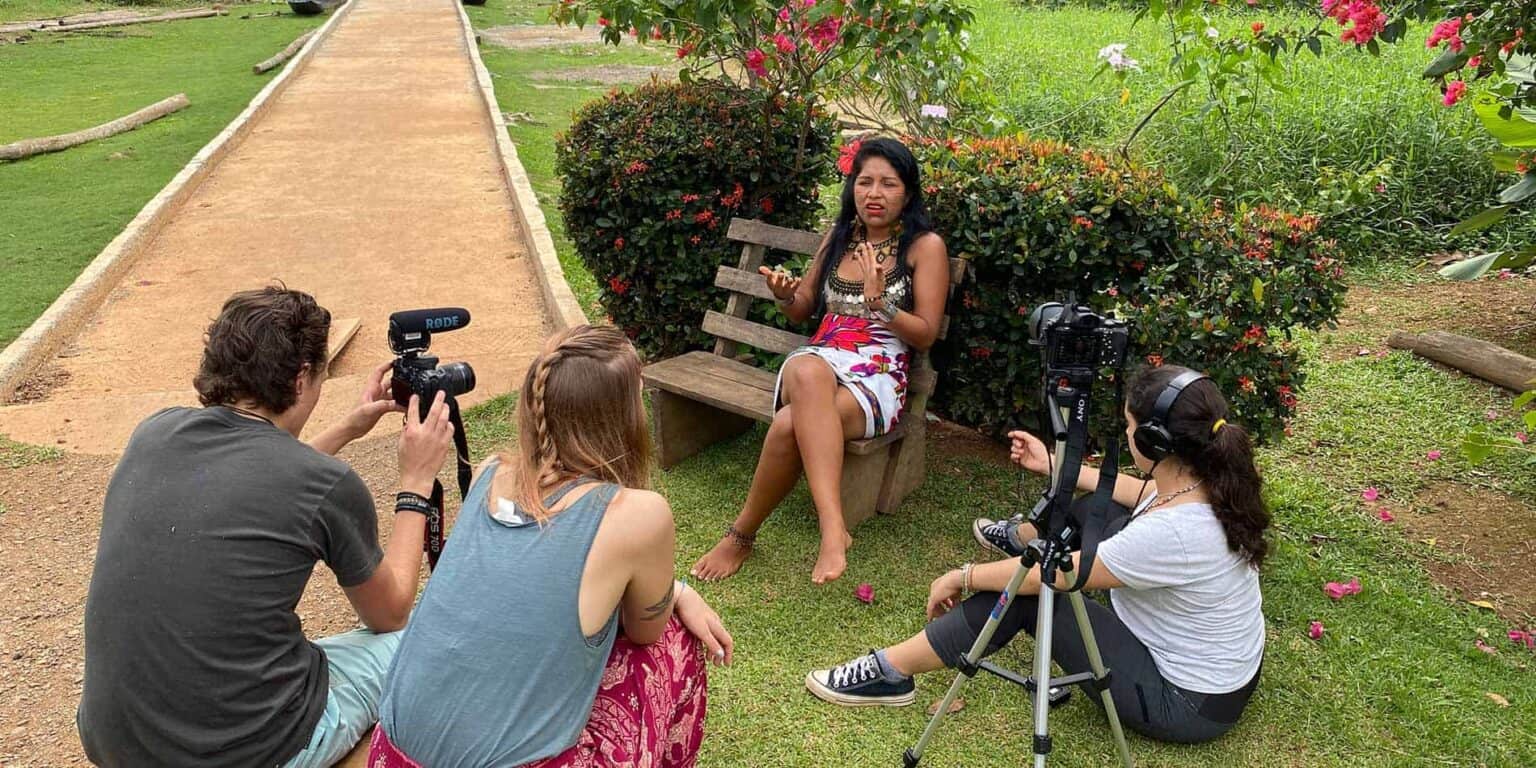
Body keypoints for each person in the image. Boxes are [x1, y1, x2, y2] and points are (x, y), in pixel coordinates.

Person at [78, 286, 456, 768]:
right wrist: (416, 481)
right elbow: (391, 613)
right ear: (301, 379)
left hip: (114, 741)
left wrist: (347, 427)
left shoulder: (155, 432)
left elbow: (256, 478)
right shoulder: (324, 484)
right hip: (253, 752)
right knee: (425, 635)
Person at [806, 365, 1269, 744]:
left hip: (1187, 704)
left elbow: (1054, 577)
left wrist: (963, 575)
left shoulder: (1178, 532)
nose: (1127, 436)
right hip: (1223, 679)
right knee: (1097, 508)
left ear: (1153, 442)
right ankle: (1021, 538)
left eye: (1129, 427)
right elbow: (1131, 492)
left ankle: (890, 672)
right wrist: (1053, 463)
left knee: (1030, 594)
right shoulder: (1203, 477)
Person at [369, 324, 733, 768]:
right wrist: (677, 593)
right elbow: (644, 631)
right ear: (625, 415)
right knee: (670, 640)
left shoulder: (489, 473)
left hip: (391, 754)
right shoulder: (639, 514)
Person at [690, 137, 950, 585]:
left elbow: (925, 331)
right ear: (852, 188)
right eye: (864, 182)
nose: (874, 193)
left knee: (792, 424)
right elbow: (803, 305)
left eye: (888, 184)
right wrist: (786, 294)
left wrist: (881, 304)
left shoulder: (924, 248)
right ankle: (833, 527)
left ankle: (741, 535)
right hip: (821, 355)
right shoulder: (838, 237)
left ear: (908, 193)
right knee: (808, 370)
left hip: (878, 373)